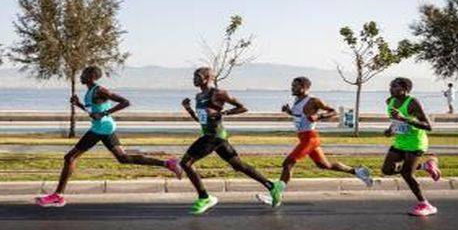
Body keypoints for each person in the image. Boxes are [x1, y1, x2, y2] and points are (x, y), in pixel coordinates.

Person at [35, 66, 183, 207]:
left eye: (84, 74)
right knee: (123, 158)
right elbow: (94, 110)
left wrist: (105, 114)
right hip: (102, 127)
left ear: (92, 77)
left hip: (101, 128)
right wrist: (78, 104)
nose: (81, 76)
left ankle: (58, 196)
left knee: (70, 157)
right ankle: (168, 164)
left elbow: (125, 102)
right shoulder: (91, 91)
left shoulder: (100, 90)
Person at [179, 67, 283, 215]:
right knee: (238, 165)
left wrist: (222, 112)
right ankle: (272, 186)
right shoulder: (198, 96)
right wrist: (188, 108)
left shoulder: (218, 93)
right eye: (193, 76)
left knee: (185, 163)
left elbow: (242, 108)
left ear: (207, 78)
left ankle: (204, 197)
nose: (193, 79)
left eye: (197, 76)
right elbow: (200, 120)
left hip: (214, 135)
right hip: (214, 136)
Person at [257, 77, 372, 207]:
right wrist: (289, 111)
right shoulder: (296, 101)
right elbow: (300, 117)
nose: (292, 88)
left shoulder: (313, 101)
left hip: (309, 138)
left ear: (304, 87)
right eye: (292, 85)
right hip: (305, 138)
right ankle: (358, 171)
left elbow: (333, 112)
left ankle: (276, 197)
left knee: (288, 163)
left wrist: (319, 116)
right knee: (325, 165)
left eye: (295, 86)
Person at [382, 77, 442, 216]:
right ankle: (425, 166)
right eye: (390, 86)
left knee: (407, 174)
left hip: (415, 143)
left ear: (405, 89)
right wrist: (391, 130)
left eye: (395, 86)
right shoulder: (390, 101)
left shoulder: (413, 102)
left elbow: (428, 126)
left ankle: (425, 204)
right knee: (387, 170)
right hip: (400, 141)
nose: (391, 89)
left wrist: (404, 118)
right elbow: (395, 120)